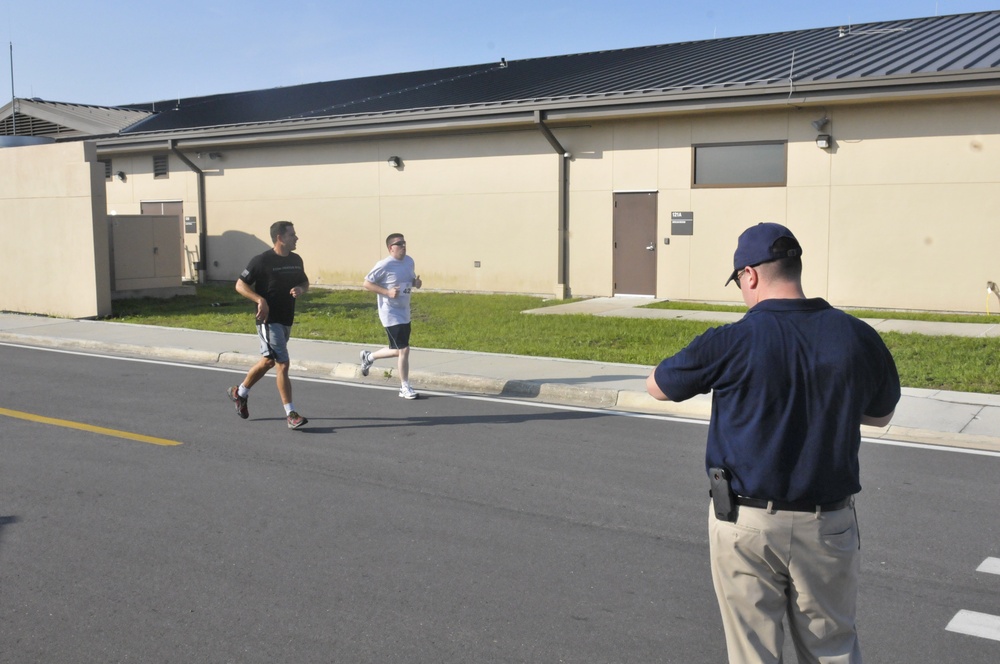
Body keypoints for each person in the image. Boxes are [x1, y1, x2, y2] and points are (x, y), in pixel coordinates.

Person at [646, 222, 900, 664]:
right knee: (833, 649)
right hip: (828, 524)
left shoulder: (732, 340)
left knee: (753, 654)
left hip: (746, 523)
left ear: (750, 275)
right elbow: (880, 416)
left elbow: (658, 386)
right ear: (793, 268)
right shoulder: (857, 336)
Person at [226, 221, 310, 429]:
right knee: (282, 363)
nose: (296, 238)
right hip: (268, 320)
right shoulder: (262, 261)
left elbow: (305, 282)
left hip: (286, 318)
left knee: (268, 362)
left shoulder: (296, 260)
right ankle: (291, 414)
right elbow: (240, 284)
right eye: (292, 235)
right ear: (280, 238)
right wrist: (259, 300)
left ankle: (240, 392)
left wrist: (301, 289)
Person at [359, 233, 422, 399]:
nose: (403, 246)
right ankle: (404, 387)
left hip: (404, 310)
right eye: (399, 243)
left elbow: (409, 280)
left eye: (404, 243)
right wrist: (386, 292)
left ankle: (369, 357)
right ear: (390, 248)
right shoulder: (384, 265)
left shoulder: (409, 261)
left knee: (397, 350)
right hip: (390, 312)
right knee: (404, 349)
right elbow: (366, 283)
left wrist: (416, 283)